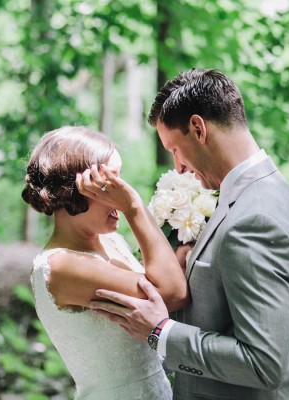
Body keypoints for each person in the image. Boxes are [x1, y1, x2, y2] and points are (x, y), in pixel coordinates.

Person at [85, 69, 289, 399]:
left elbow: (264, 363)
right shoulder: (256, 192)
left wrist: (160, 332)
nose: (177, 167)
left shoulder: (255, 219)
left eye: (175, 149)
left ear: (198, 128)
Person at [22, 126, 189, 399]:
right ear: (73, 189)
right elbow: (173, 292)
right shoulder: (60, 266)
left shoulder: (109, 243)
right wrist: (133, 206)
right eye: (108, 181)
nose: (120, 191)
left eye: (119, 179)